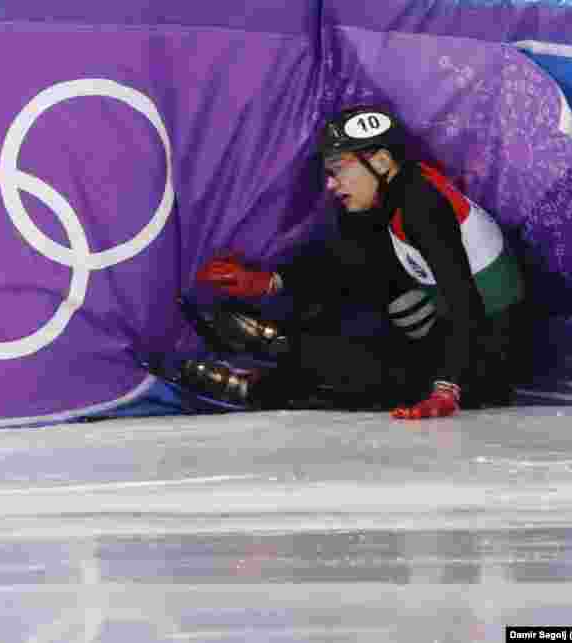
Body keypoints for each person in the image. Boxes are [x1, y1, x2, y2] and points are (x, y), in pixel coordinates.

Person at [185, 105, 527, 419]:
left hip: (484, 355)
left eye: (337, 170)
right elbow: (344, 259)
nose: (331, 185)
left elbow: (464, 304)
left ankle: (269, 380)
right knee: (354, 259)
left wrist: (446, 388)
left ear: (379, 162)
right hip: (447, 322)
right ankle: (289, 345)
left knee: (364, 372)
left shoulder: (423, 208)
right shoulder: (388, 190)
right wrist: (271, 281)